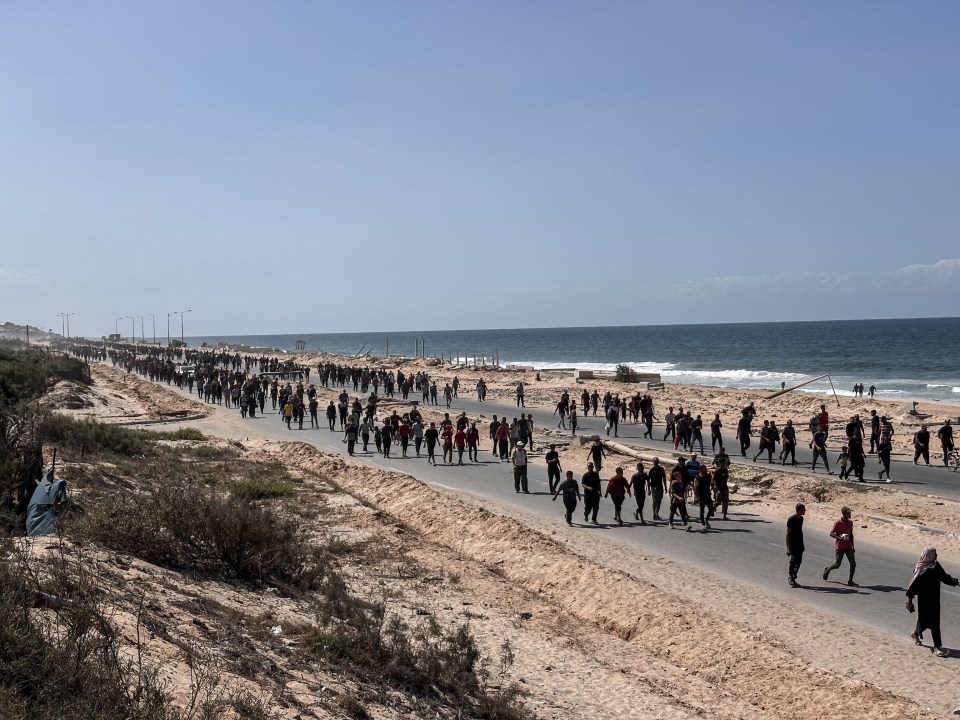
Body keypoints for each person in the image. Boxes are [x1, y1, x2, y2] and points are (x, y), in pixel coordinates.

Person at [906, 547, 959, 657]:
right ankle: (917, 633)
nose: (936, 556)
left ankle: (936, 647)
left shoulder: (935, 566)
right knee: (923, 620)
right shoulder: (920, 569)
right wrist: (910, 600)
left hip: (934, 599)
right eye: (935, 554)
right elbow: (913, 586)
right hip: (923, 600)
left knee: (935, 622)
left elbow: (944, 577)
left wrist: (955, 581)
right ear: (929, 555)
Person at [823, 506, 857, 586]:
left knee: (853, 564)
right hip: (840, 547)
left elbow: (851, 534)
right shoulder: (838, 523)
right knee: (837, 565)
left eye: (850, 513)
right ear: (844, 513)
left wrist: (853, 546)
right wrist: (839, 538)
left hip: (848, 546)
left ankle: (850, 581)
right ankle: (827, 570)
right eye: (848, 513)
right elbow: (831, 533)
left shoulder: (850, 522)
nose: (850, 514)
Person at [786, 503, 805, 588]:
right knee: (793, 560)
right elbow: (787, 533)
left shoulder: (801, 519)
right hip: (793, 544)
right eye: (803, 509)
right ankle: (791, 576)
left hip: (800, 544)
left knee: (799, 561)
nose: (805, 511)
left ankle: (793, 577)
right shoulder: (791, 519)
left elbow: (800, 531)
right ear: (799, 510)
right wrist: (788, 547)